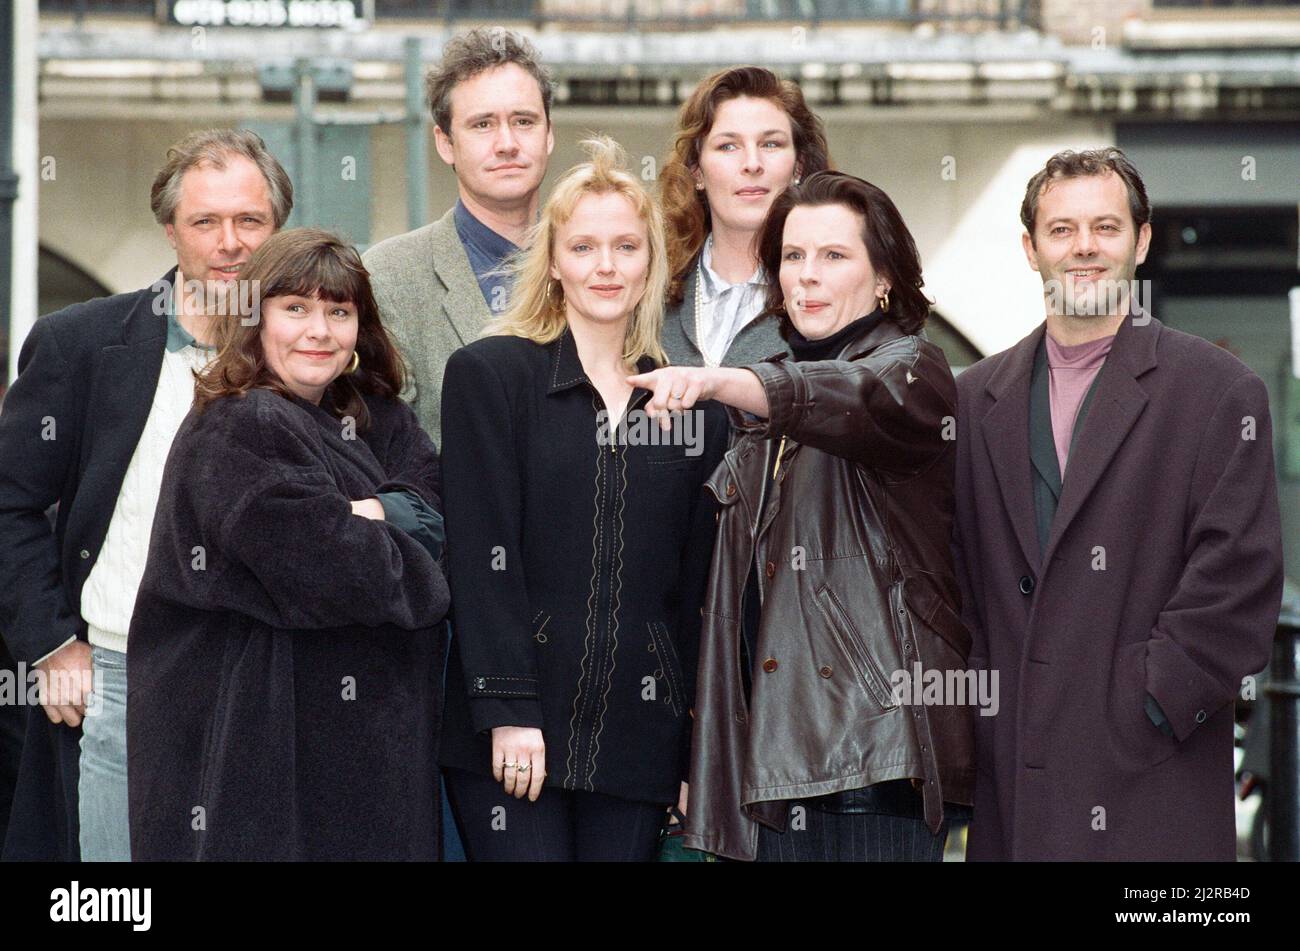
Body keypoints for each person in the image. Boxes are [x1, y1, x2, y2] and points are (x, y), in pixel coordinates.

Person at [633, 170, 975, 862]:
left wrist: (725, 378)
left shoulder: (911, 368)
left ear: (884, 279)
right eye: (792, 257)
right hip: (778, 767)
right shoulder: (777, 401)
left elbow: (853, 400)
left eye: (833, 256)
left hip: (871, 762)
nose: (806, 276)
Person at [952, 148, 1282, 860]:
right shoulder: (973, 397)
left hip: (1151, 783)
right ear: (1030, 248)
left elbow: (1239, 580)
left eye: (1105, 226)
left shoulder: (1218, 391)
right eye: (1062, 229)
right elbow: (956, 577)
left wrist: (1149, 703)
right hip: (1014, 781)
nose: (1084, 247)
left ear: (1142, 239)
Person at [0, 128, 291, 861]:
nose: (230, 242)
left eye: (250, 221)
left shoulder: (310, 352)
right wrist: (50, 643)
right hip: (118, 676)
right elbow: (9, 502)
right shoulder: (79, 345)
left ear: (277, 228)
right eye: (205, 222)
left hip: (267, 680)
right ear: (170, 231)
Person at [438, 137, 728, 862]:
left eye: (627, 246)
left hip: (639, 734)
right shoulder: (491, 375)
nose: (606, 265)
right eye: (586, 246)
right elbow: (480, 557)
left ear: (651, 261)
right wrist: (507, 711)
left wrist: (693, 743)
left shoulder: (691, 403)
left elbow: (696, 589)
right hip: (514, 729)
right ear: (556, 260)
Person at [126, 229, 450, 861]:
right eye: (295, 308)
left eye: (338, 311)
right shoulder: (242, 423)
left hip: (366, 753)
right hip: (264, 755)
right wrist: (397, 536)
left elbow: (440, 513)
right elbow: (349, 573)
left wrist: (370, 515)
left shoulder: (375, 414)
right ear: (256, 318)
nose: (319, 331)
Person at [363, 27, 554, 449]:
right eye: (482, 124)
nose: (507, 143)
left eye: (523, 121)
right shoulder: (387, 278)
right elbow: (387, 454)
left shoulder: (600, 264)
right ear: (445, 143)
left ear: (549, 134)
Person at [658, 65, 831, 369]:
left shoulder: (837, 287)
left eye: (770, 144)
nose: (752, 164)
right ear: (697, 171)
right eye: (728, 146)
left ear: (798, 166)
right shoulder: (650, 290)